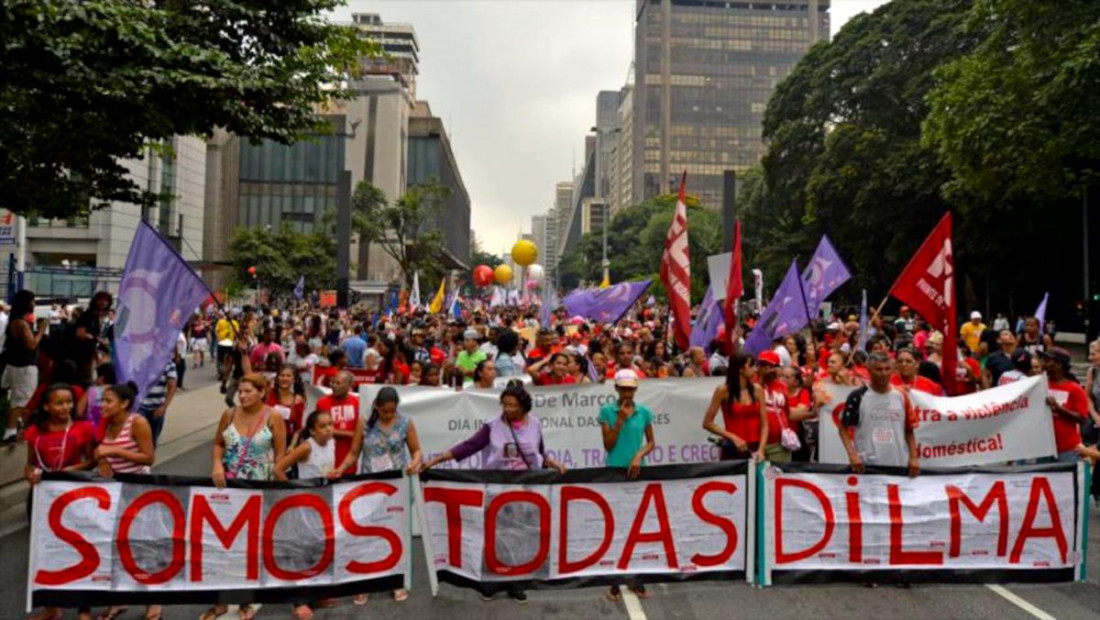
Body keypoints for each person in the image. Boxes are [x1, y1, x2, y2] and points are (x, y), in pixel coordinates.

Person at [421, 384, 564, 604]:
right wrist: (436, 460)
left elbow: (540, 454)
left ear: (524, 406)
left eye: (513, 405)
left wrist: (555, 464)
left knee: (519, 537)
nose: (507, 409)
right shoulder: (492, 426)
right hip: (497, 491)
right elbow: (468, 447)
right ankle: (492, 582)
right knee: (495, 537)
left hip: (525, 492)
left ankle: (517, 581)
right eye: (504, 404)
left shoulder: (535, 424)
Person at [205, 374, 286, 620]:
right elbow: (218, 443)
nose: (242, 395)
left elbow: (280, 455)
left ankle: (247, 599)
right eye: (240, 391)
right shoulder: (229, 415)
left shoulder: (274, 416)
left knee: (250, 546)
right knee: (221, 542)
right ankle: (219, 599)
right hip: (227, 490)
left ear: (262, 392)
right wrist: (217, 464)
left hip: (259, 490)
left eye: (248, 391)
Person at [337, 386, 422, 604]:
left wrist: (414, 463)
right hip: (369, 487)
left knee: (395, 534)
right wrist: (340, 469)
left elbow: (416, 451)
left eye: (392, 411)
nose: (388, 415)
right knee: (367, 534)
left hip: (397, 488)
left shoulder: (405, 422)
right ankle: (364, 582)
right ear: (377, 406)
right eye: (385, 411)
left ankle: (396, 581)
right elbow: (354, 453)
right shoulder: (365, 422)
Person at [93, 382, 159, 620]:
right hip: (114, 495)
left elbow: (148, 456)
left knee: (142, 549)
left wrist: (114, 453)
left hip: (139, 494)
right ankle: (117, 601)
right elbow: (97, 451)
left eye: (108, 401)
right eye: (102, 400)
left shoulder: (137, 422)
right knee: (114, 548)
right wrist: (101, 461)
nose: (103, 405)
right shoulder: (104, 423)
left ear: (124, 404)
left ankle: (153, 605)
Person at [598, 369, 655, 601]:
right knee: (617, 527)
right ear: (616, 389)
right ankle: (614, 579)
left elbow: (651, 442)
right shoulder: (607, 411)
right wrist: (619, 421)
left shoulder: (644, 412)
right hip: (614, 473)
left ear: (635, 389)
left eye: (630, 388)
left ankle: (635, 578)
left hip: (638, 472)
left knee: (639, 526)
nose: (627, 392)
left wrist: (639, 455)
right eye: (623, 388)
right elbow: (609, 445)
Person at [839, 352, 920, 477]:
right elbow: (843, 427)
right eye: (878, 369)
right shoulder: (858, 396)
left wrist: (913, 457)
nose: (883, 374)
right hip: (867, 466)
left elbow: (908, 430)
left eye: (887, 369)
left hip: (898, 463)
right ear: (869, 370)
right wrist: (852, 454)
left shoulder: (901, 396)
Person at [702, 351, 766, 462]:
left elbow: (765, 424)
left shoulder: (758, 389)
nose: (755, 369)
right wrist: (733, 437)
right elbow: (707, 423)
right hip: (732, 448)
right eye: (751, 365)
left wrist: (761, 450)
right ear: (741, 368)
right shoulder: (722, 391)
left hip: (755, 448)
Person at [2, 290, 48, 443]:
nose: (34, 304)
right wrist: (41, 329)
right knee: (22, 400)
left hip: (15, 364)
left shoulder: (14, 320)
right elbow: (31, 344)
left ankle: (15, 429)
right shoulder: (20, 323)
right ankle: (11, 431)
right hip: (25, 366)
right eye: (32, 300)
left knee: (17, 399)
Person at [1041, 348, 1088, 463]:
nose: (1043, 364)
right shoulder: (1040, 385)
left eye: (1047, 361)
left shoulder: (1075, 389)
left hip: (1067, 449)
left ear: (1059, 365)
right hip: (1043, 447)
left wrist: (1058, 408)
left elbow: (1082, 419)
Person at [316, 370, 360, 474]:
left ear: (349, 385)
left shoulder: (357, 402)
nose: (334, 386)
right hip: (328, 456)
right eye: (333, 382)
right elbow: (319, 428)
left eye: (338, 383)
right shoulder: (322, 403)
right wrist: (350, 434)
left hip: (350, 456)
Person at [275, 410, 336, 481]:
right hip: (308, 491)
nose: (328, 429)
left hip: (327, 489)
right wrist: (292, 490)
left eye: (330, 424)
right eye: (322, 426)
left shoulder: (332, 442)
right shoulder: (306, 447)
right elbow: (278, 469)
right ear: (312, 431)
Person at [757, 351, 794, 462]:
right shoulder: (752, 385)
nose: (767, 369)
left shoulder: (782, 386)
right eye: (763, 365)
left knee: (777, 477)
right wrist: (762, 380)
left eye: (772, 366)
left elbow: (787, 412)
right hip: (756, 443)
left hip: (778, 444)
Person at [137, 361, 178, 446]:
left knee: (153, 439)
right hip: (140, 407)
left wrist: (164, 407)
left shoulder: (169, 365)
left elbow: (172, 386)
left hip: (157, 408)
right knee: (138, 438)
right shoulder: (142, 361)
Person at [268, 364, 306, 443]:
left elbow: (298, 428)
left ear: (294, 379)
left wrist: (292, 446)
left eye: (288, 376)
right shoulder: (268, 393)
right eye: (282, 375)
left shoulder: (297, 400)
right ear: (277, 378)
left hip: (285, 440)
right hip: (265, 437)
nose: (285, 378)